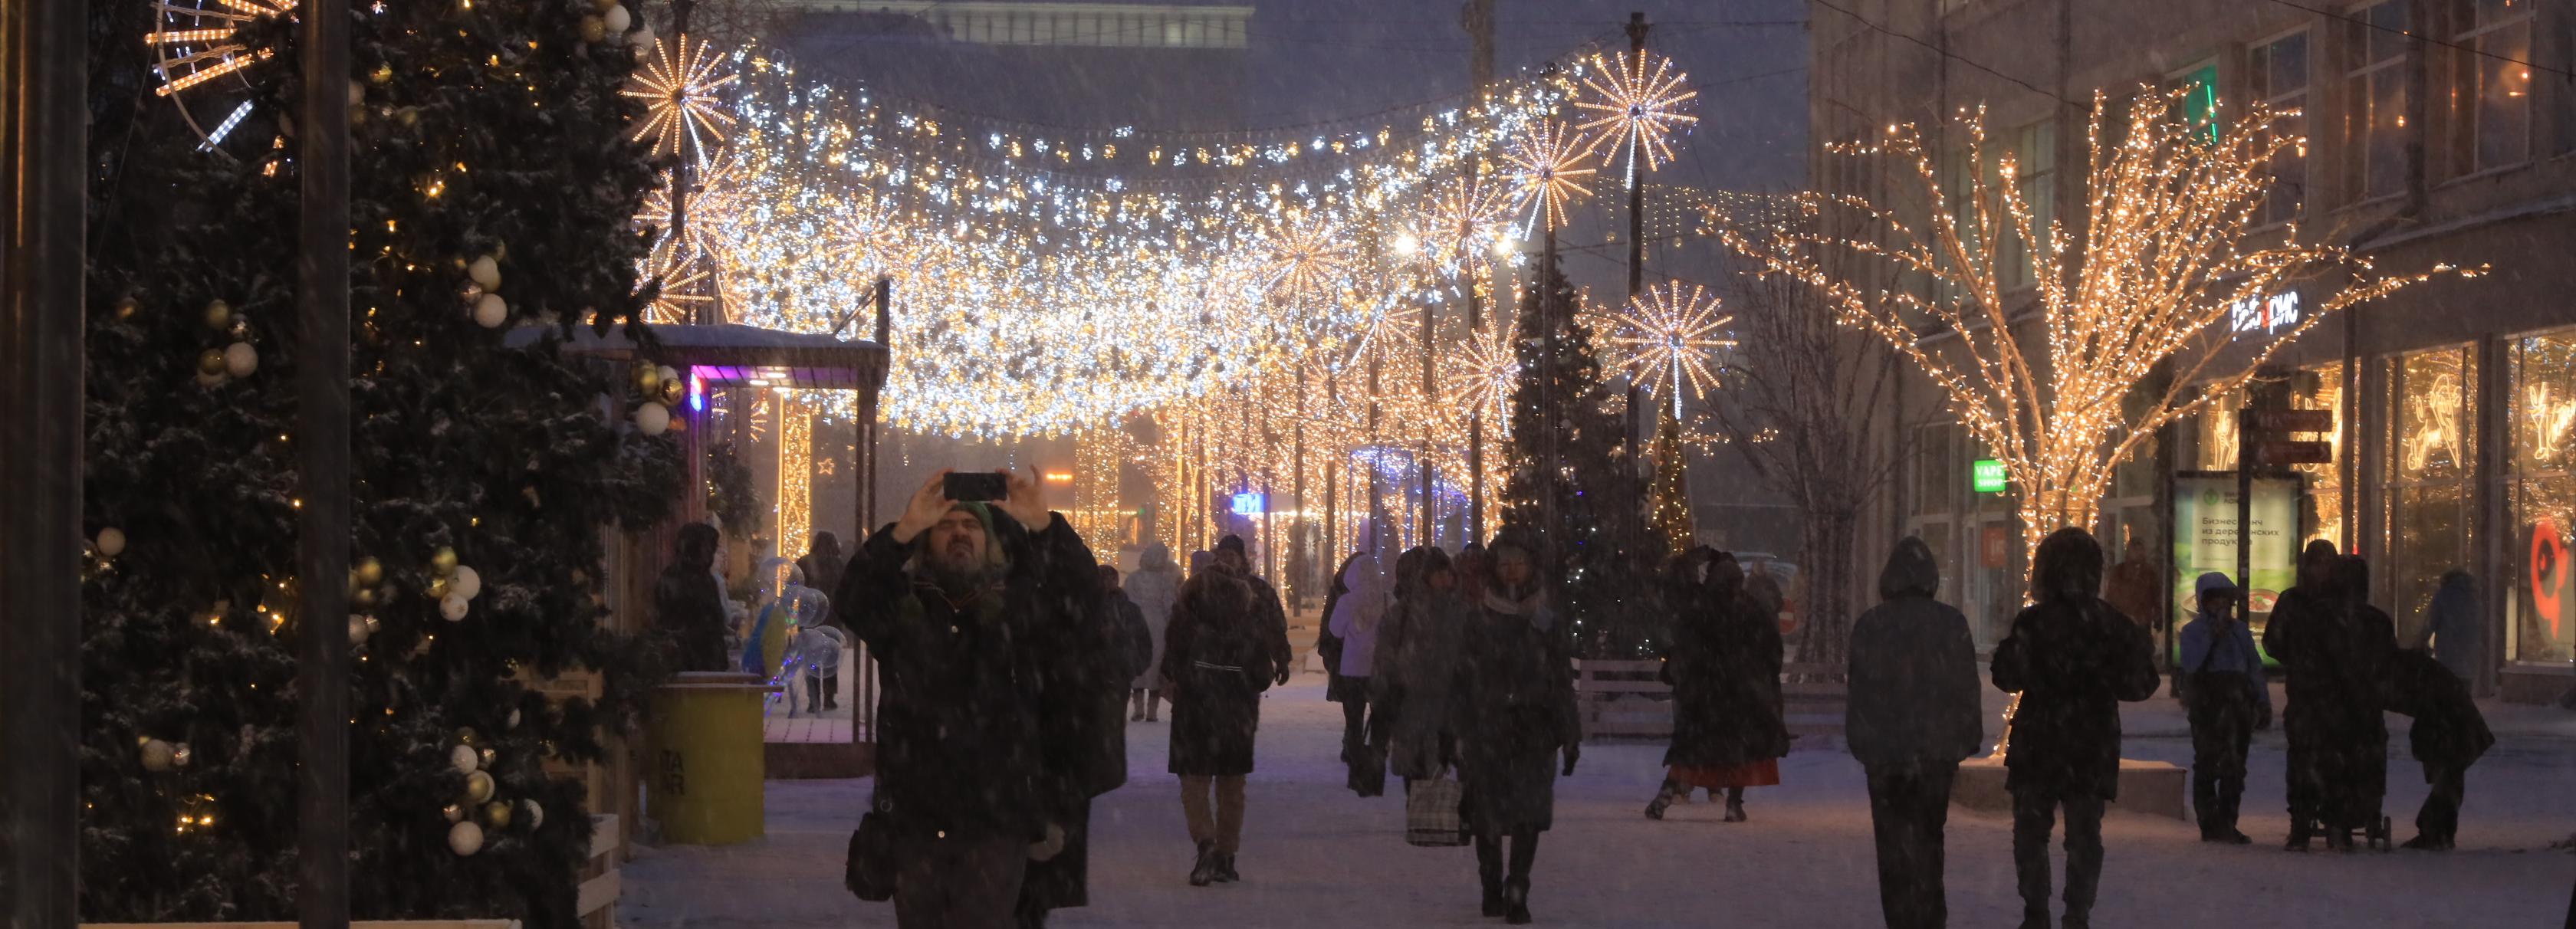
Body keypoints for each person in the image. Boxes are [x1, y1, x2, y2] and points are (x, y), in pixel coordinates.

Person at [839, 471, 1107, 929]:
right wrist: (903, 531)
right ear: (928, 543)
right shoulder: (904, 613)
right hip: (915, 819)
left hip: (995, 822)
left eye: (972, 525)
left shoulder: (1020, 614)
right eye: (946, 525)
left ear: (991, 543)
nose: (959, 532)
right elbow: (851, 596)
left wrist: (1043, 525)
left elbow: (1082, 596)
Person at [1990, 527, 2158, 929]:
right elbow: (2141, 684)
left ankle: (2036, 911)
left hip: (2039, 740)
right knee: (2084, 835)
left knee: (2031, 832)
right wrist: (2100, 676)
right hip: (2091, 742)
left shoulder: (2036, 621)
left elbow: (2006, 675)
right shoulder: (2110, 624)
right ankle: (2077, 914)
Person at [1845, 537, 1982, 929]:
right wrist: (1963, 738)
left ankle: (1902, 919)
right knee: (1928, 842)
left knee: (1892, 850)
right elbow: (1964, 689)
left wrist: (1865, 743)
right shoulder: (1950, 623)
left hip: (1886, 756)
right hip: (1934, 754)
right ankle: (1928, 917)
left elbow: (1860, 692)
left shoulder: (1872, 625)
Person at [1450, 532, 1579, 924]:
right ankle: (1491, 885)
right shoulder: (1478, 618)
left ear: (1531, 567)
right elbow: (1461, 679)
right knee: (1486, 814)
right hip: (1487, 730)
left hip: (1533, 731)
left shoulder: (1546, 620)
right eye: (1504, 562)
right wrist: (1454, 729)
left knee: (1527, 814)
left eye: (1518, 561)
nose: (1511, 569)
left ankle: (1517, 887)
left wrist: (1569, 731)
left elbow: (1560, 677)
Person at [1161, 533, 1292, 888]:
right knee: (1232, 784)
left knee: (1195, 780)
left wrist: (1183, 678)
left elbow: (1171, 656)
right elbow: (1262, 670)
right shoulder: (1249, 612)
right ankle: (1227, 854)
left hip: (1195, 707)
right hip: (1236, 709)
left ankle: (1205, 842)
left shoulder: (1187, 611)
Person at [1647, 548, 1788, 823]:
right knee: (1739, 752)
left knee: (1690, 747)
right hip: (1740, 694)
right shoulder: (1752, 609)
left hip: (1705, 693)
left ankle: (1665, 795)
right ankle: (1734, 803)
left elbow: (1682, 634)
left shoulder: (1700, 606)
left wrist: (1695, 556)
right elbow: (1772, 649)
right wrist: (1763, 678)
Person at [2263, 539, 2346, 850]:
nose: (2321, 571)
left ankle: (2324, 819)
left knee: (2324, 756)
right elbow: (2273, 642)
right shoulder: (2323, 603)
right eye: (2317, 564)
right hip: (2312, 692)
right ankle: (2306, 819)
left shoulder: (2300, 601)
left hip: (2326, 692)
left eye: (2325, 564)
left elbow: (2274, 642)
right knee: (2307, 756)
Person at [2177, 572, 2270, 844]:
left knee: (2235, 764)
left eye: (2225, 602)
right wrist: (2211, 636)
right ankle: (2209, 822)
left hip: (2237, 700)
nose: (2222, 607)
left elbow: (2254, 666)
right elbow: (2192, 664)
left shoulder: (2240, 631)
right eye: (2215, 601)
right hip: (2208, 701)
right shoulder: (2192, 632)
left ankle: (2227, 821)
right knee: (2206, 761)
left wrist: (2262, 700)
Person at [1372, 546, 1465, 789]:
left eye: (1448, 573)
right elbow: (1384, 662)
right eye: (1440, 573)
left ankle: (1430, 822)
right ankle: (1423, 822)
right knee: (1417, 779)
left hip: (1447, 709)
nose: (1447, 579)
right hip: (1413, 709)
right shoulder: (1403, 615)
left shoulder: (1457, 611)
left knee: (1440, 776)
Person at [2388, 645, 2492, 850]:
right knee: (2449, 781)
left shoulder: (2417, 678)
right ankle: (2440, 833)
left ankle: (2435, 833)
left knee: (2447, 781)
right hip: (2455, 729)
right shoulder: (2425, 674)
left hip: (2450, 730)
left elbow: (2421, 707)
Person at [1328, 546, 1389, 767]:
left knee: (1354, 716)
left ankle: (1354, 754)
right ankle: (1377, 753)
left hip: (1352, 667)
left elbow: (1335, 630)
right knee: (1379, 716)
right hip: (1379, 667)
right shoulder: (1386, 599)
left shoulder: (1346, 601)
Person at [656, 522, 731, 672]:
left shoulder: (671, 576)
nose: (711, 553)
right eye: (710, 549)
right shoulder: (701, 581)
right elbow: (711, 622)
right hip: (697, 660)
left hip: (679, 659)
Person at [1125, 543, 1182, 722]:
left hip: (1138, 624)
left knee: (1139, 666)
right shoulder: (1165, 580)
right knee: (1154, 665)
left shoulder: (1134, 578)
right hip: (1157, 624)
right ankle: (1151, 711)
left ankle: (1139, 708)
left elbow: (1129, 599)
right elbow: (1169, 604)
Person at [2415, 569, 2482, 686]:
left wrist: (2420, 644)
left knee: (2446, 693)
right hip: (2469, 659)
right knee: (2463, 694)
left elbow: (2430, 623)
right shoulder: (2473, 597)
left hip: (2447, 658)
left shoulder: (2443, 596)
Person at [2103, 537, 2161, 633]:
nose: (2139, 553)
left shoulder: (2150, 573)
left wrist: (2158, 616)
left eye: (2141, 549)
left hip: (2142, 624)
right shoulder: (2119, 571)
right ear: (2128, 551)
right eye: (2135, 549)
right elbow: (2110, 597)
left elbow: (2156, 596)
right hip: (2121, 624)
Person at [798, 531, 847, 626]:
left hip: (811, 609)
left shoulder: (806, 562)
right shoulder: (838, 564)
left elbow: (797, 583)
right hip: (833, 611)